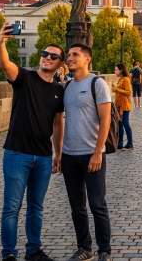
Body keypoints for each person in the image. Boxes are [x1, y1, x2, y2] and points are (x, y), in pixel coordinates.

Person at [0, 24, 65, 261]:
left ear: (60, 64)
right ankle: (9, 253)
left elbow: (58, 124)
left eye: (53, 56)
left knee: (36, 208)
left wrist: (58, 153)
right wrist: (1, 42)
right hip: (17, 153)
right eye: (45, 54)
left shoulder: (59, 89)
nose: (47, 57)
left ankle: (33, 250)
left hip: (43, 156)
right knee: (12, 208)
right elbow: (5, 64)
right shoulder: (24, 78)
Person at [60, 43, 113, 261]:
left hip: (92, 153)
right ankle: (84, 247)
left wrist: (98, 152)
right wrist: (58, 154)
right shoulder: (66, 86)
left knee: (97, 204)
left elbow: (105, 119)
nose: (69, 58)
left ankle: (104, 250)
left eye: (75, 55)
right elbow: (60, 121)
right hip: (69, 155)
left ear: (87, 59)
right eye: (68, 55)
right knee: (77, 207)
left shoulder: (97, 84)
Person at [113, 63, 133, 151]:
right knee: (119, 124)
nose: (115, 71)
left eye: (116, 70)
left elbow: (129, 92)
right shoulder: (120, 79)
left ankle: (130, 143)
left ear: (121, 70)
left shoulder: (125, 79)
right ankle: (120, 143)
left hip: (124, 105)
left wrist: (117, 89)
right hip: (119, 105)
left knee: (125, 123)